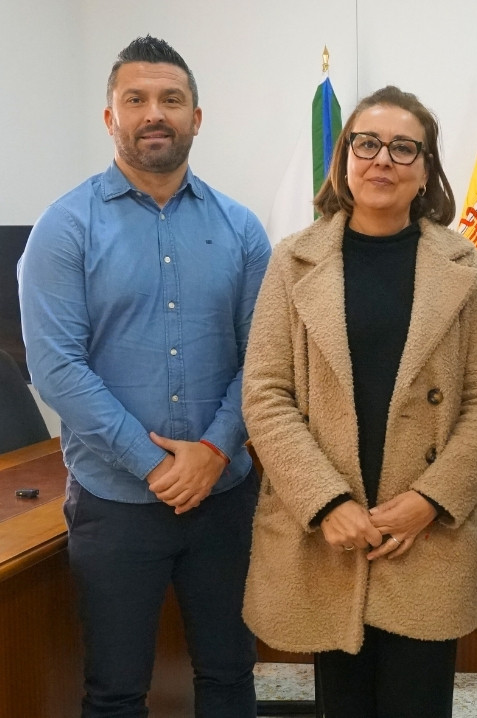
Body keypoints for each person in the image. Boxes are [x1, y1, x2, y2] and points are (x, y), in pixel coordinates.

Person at [17, 36, 269, 717]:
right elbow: (56, 367)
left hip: (224, 502)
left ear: (196, 117)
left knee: (228, 675)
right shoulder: (64, 229)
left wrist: (214, 452)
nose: (154, 113)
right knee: (115, 690)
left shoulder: (242, 230)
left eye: (171, 100)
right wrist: (155, 465)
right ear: (110, 118)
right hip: (115, 506)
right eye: (136, 100)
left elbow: (266, 361)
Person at [240, 85, 477, 718]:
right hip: (333, 533)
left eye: (403, 147)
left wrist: (429, 503)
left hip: (428, 534)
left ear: (425, 170)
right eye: (367, 143)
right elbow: (266, 394)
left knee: (420, 701)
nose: (382, 159)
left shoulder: (465, 266)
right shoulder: (292, 261)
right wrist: (326, 503)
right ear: (344, 159)